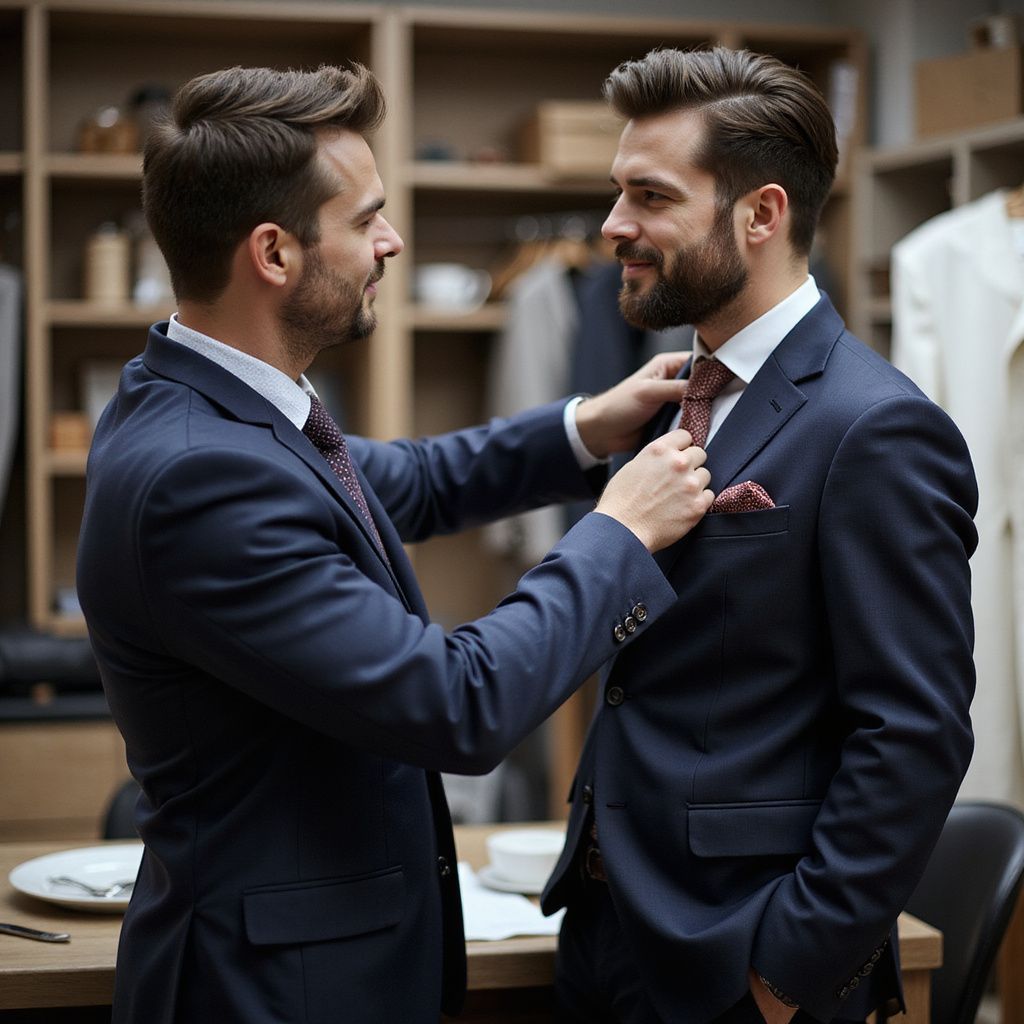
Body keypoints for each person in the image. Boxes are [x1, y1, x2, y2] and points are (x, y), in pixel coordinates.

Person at [75, 64, 715, 1024]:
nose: (393, 241)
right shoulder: (200, 477)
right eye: (366, 218)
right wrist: (618, 532)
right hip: (275, 996)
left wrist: (586, 425)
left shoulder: (215, 405)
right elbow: (455, 703)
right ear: (274, 254)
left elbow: (410, 479)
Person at [541, 46, 979, 1024]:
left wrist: (786, 975)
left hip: (741, 954)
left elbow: (911, 731)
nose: (613, 227)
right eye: (616, 193)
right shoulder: (660, 402)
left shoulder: (876, 428)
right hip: (606, 923)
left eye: (648, 197)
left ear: (762, 214)